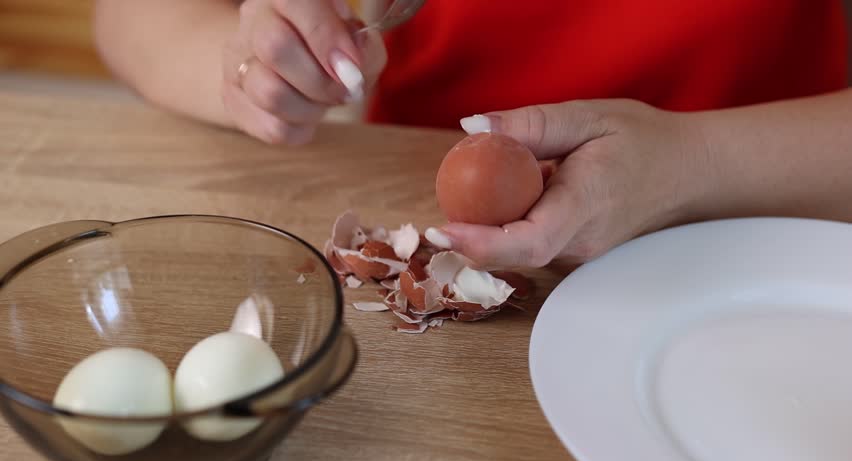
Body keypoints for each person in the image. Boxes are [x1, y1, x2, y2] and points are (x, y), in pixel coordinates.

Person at [93, 0, 852, 269]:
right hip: (427, 239)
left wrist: (695, 162)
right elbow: (130, 15)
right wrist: (252, 69)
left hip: (770, 232)